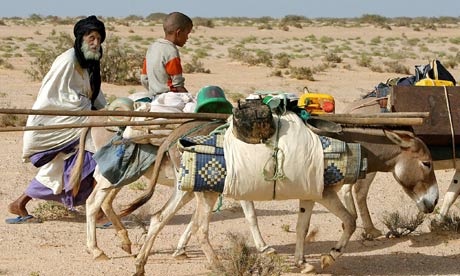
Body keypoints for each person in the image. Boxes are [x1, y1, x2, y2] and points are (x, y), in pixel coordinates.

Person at [6, 15, 107, 224]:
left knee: (64, 163)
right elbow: (54, 98)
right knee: (100, 153)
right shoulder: (68, 61)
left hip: (80, 119)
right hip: (57, 122)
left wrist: (107, 110)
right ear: (81, 39)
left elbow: (94, 94)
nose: (96, 43)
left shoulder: (90, 62)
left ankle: (20, 202)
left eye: (99, 39)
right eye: (91, 38)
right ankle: (96, 210)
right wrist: (88, 110)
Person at [144, 11, 193, 96]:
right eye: (187, 34)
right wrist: (190, 98)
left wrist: (154, 92)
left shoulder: (152, 47)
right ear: (178, 33)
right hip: (169, 98)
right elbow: (177, 85)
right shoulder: (171, 51)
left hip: (152, 96)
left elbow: (144, 78)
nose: (187, 38)